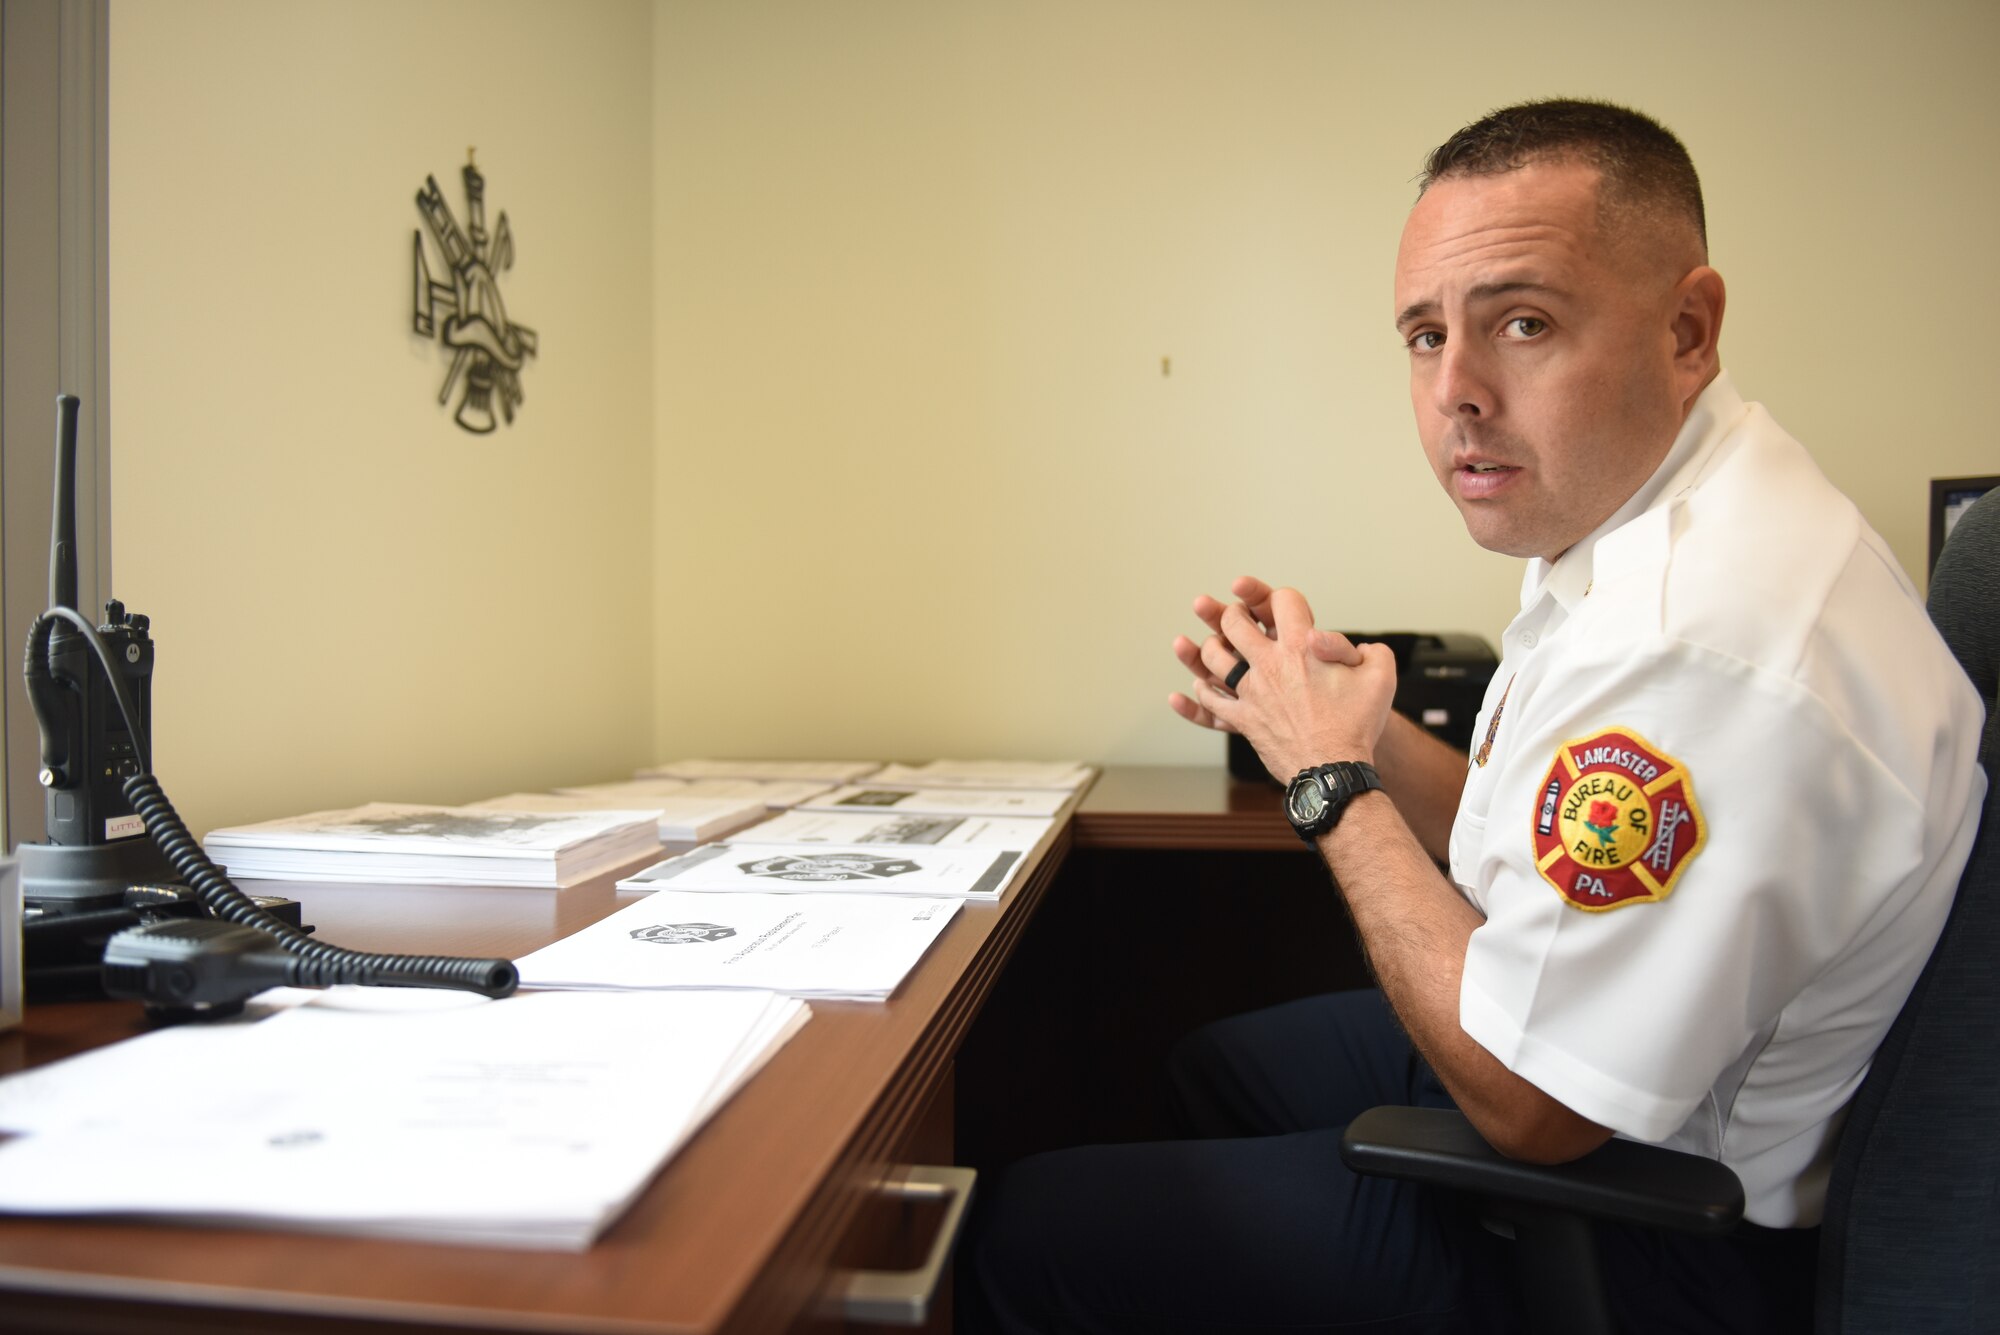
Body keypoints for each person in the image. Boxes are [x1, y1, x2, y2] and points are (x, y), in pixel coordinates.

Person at [967, 99, 1987, 1334]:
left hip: (1658, 1229)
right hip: (1624, 1071)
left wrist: (1326, 782)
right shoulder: (1644, 510)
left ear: (1685, 328)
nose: (1455, 392)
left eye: (1522, 323)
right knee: (1214, 1068)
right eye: (1420, 334)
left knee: (1024, 1230)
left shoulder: (1699, 640)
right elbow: (1529, 841)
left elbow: (1530, 1107)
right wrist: (1360, 727)